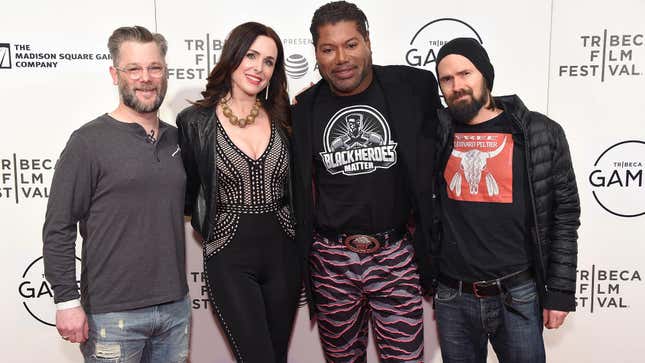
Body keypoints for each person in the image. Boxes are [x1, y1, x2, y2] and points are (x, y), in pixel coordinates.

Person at [291, 2, 442, 362]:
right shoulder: (303, 109)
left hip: (394, 255)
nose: (341, 57)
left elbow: (468, 112)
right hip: (331, 261)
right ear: (316, 54)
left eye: (351, 44)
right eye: (328, 49)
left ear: (368, 42)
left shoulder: (413, 87)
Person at [42, 26, 190, 362]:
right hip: (111, 316)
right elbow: (58, 227)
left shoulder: (178, 140)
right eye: (134, 69)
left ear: (165, 72)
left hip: (175, 310)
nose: (146, 78)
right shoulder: (88, 142)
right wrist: (67, 302)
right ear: (115, 74)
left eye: (154, 68)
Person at [430, 37, 581, 363]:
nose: (457, 86)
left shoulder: (540, 131)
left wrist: (560, 293)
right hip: (452, 296)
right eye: (446, 79)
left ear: (485, 74)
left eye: (466, 73)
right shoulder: (435, 130)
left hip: (518, 294)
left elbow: (565, 215)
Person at [176, 22, 299, 363]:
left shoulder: (285, 117)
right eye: (251, 55)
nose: (259, 68)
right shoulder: (195, 122)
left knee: (277, 356)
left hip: (284, 255)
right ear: (233, 56)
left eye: (269, 62)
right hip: (229, 257)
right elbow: (188, 195)